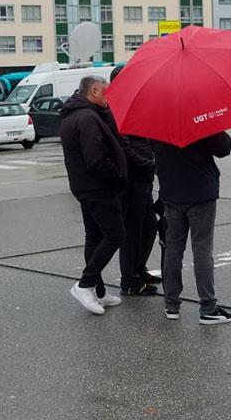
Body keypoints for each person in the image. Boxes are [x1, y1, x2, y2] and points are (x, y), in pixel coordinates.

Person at [59, 75, 127, 315]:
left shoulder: (75, 114)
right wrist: (118, 177)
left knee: (95, 236)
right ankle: (85, 284)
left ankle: (97, 291)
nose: (110, 97)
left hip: (84, 186)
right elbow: (96, 159)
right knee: (115, 235)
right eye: (106, 92)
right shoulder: (87, 118)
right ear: (95, 91)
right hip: (97, 187)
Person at [153, 129, 231, 325]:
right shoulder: (200, 119)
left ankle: (171, 304)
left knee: (173, 249)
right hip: (200, 191)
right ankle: (207, 306)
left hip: (171, 192)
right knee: (202, 250)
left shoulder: (157, 121)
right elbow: (224, 148)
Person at [110, 64, 159, 296]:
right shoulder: (117, 110)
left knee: (149, 226)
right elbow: (124, 150)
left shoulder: (136, 106)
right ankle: (129, 280)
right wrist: (151, 164)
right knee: (132, 229)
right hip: (132, 181)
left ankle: (139, 269)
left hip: (145, 179)